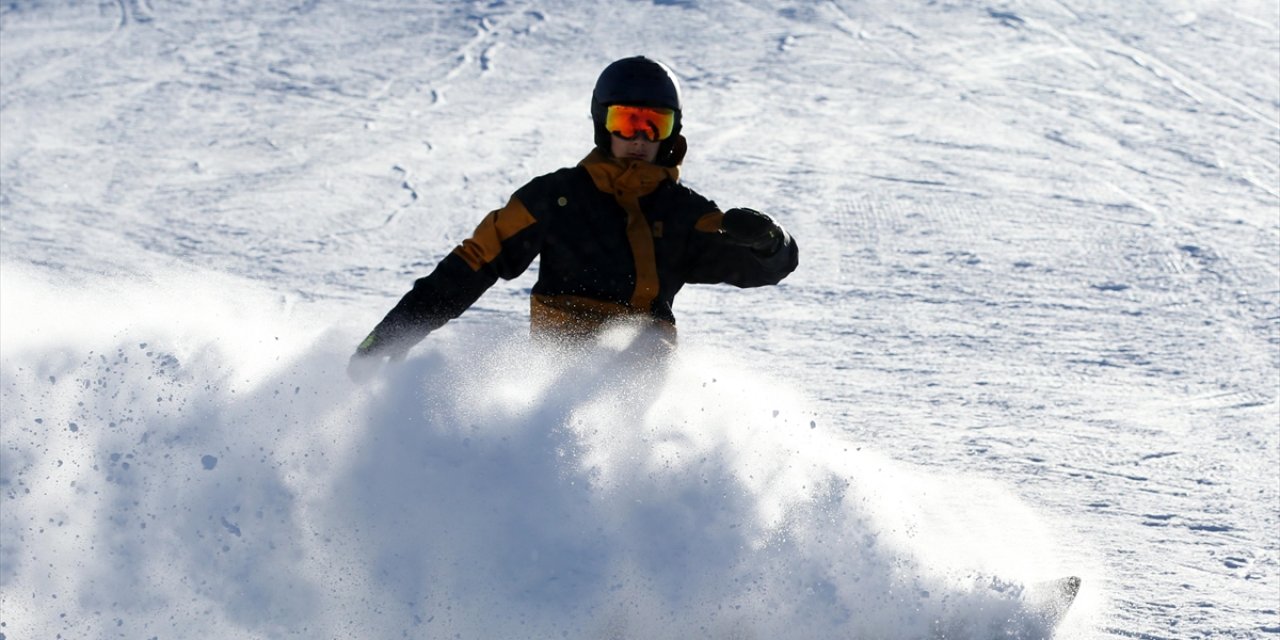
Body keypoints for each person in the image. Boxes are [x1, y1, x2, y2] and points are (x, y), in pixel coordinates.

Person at [349, 56, 799, 376]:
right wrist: (395, 332)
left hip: (643, 368)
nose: (639, 138)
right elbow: (474, 262)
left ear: (671, 133)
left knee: (644, 357)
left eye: (654, 125)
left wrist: (768, 243)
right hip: (559, 360)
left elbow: (762, 268)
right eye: (627, 121)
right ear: (603, 124)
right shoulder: (556, 197)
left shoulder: (687, 214)